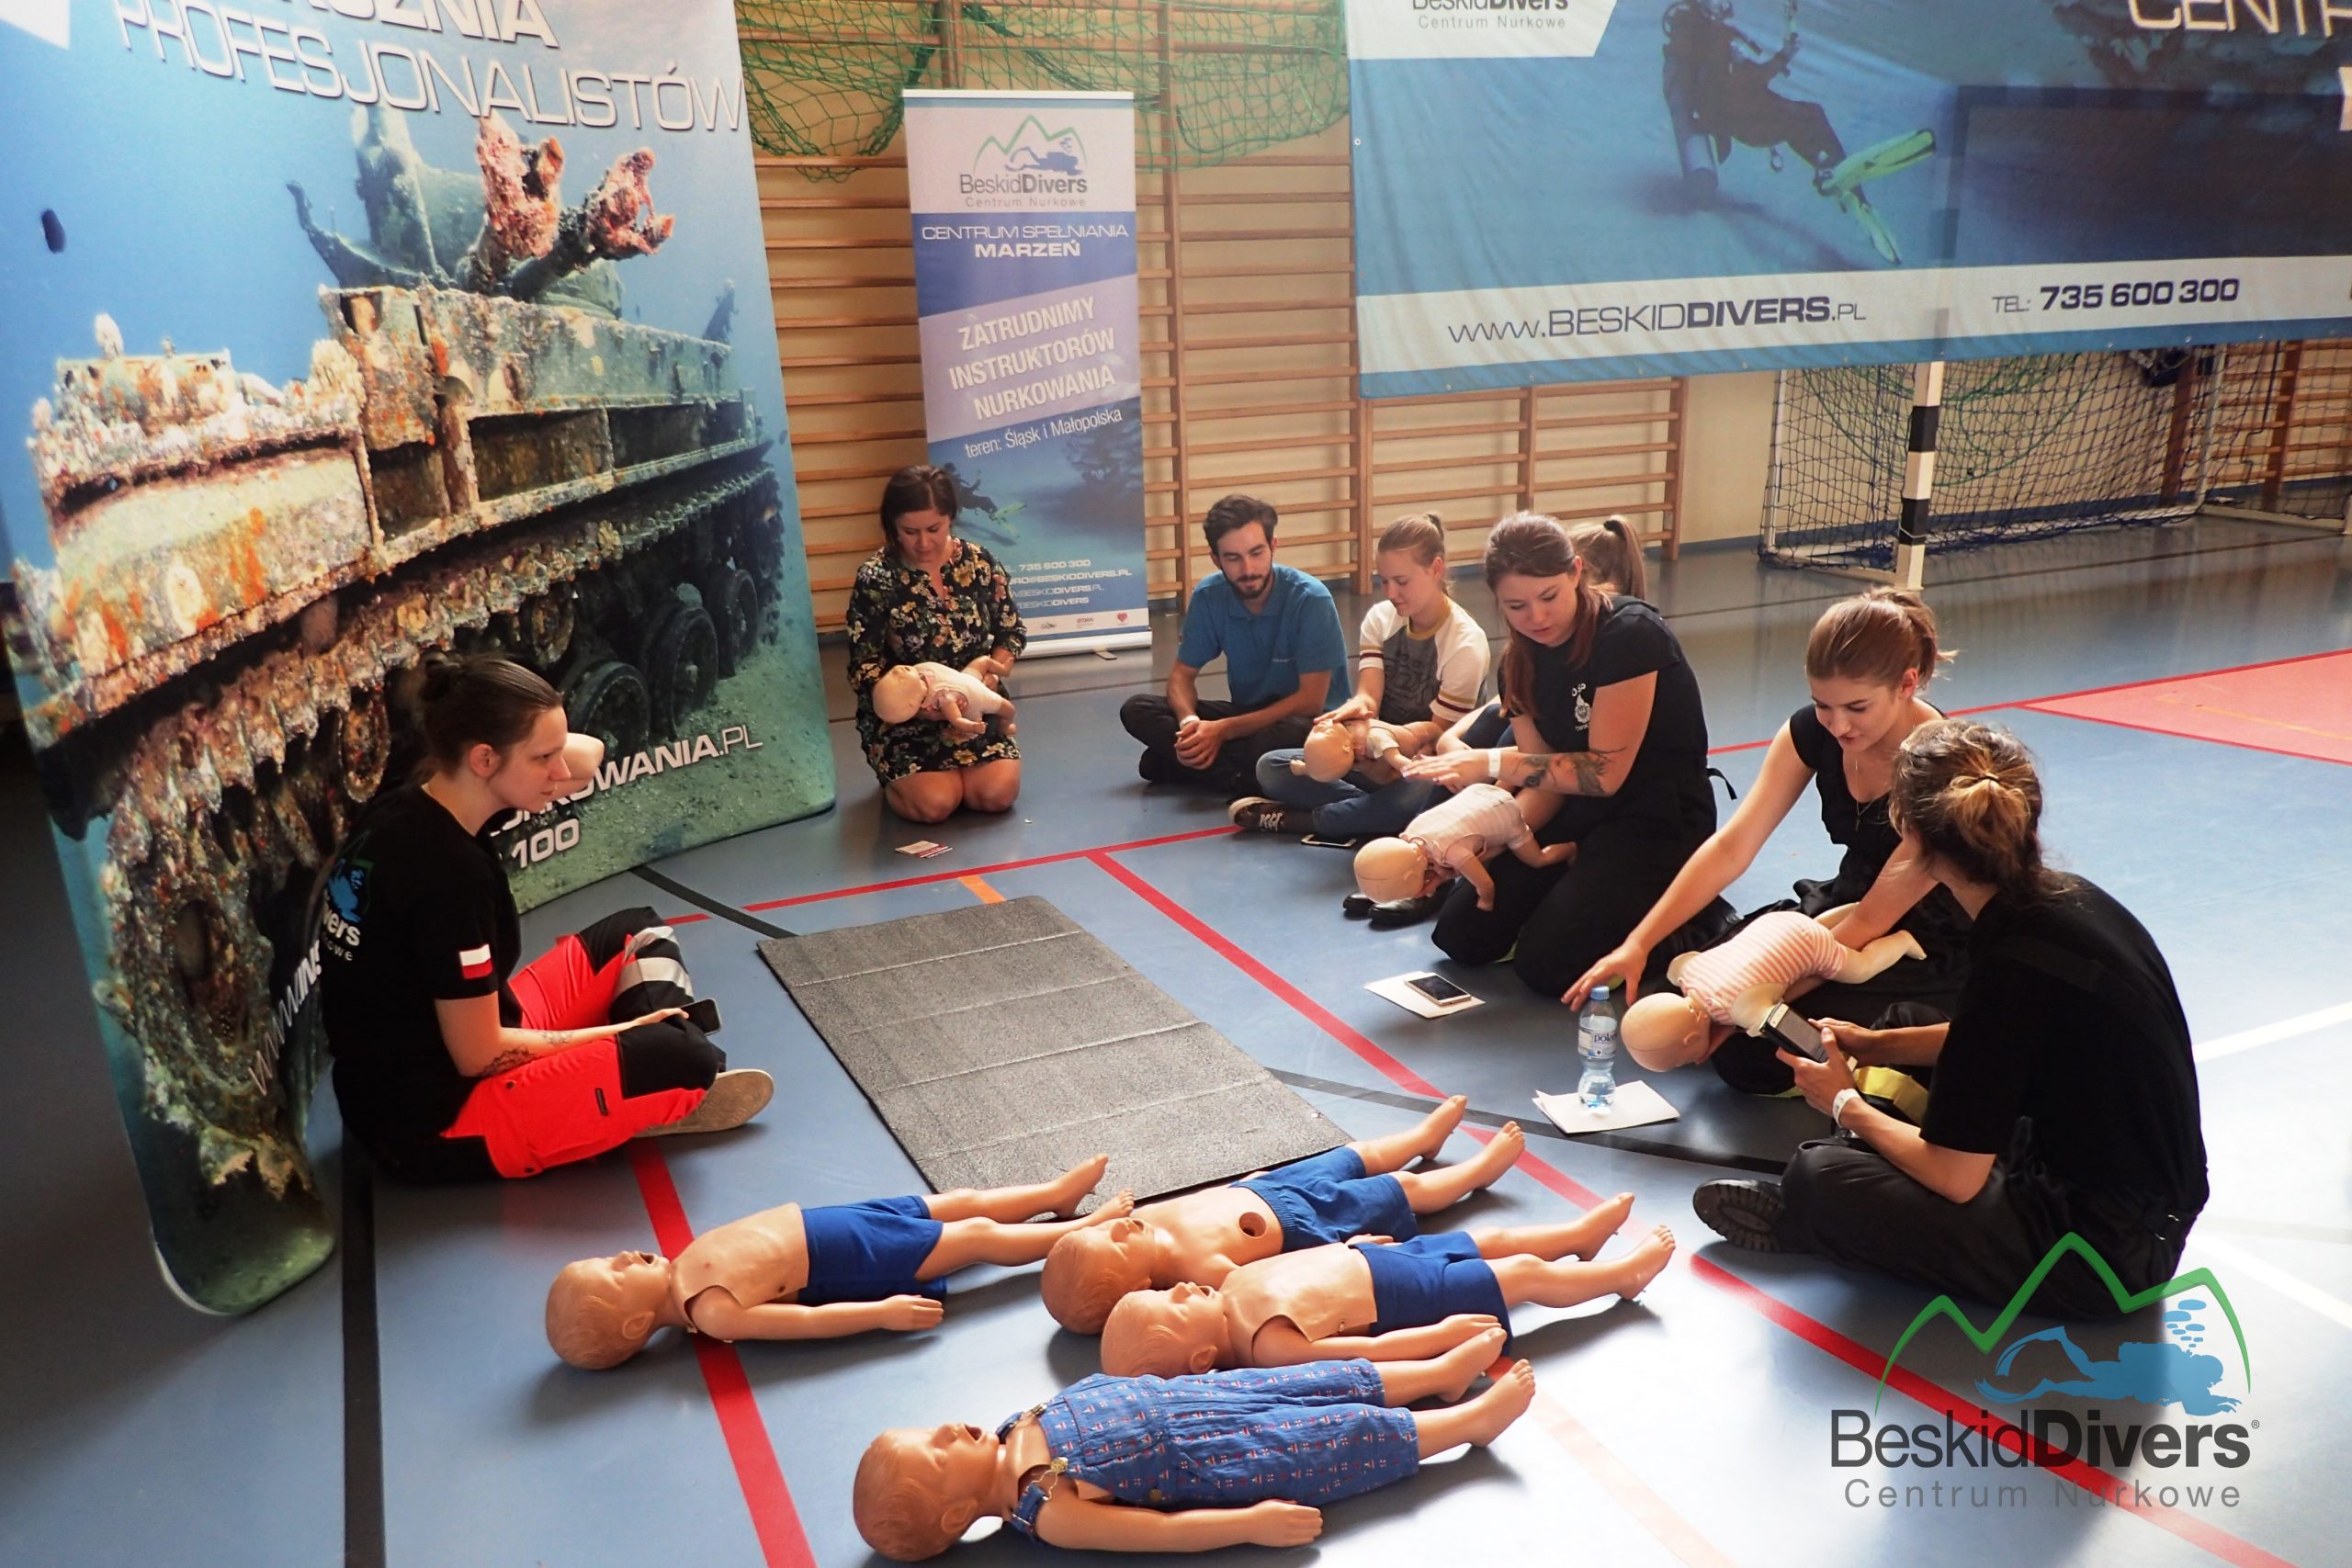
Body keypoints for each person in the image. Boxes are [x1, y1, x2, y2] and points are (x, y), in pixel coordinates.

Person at [1692, 720, 2211, 1319]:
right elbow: (2001, 1038)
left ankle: (1823, 1204)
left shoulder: (2010, 964)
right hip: (2130, 1196)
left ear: (1909, 834)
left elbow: (1957, 1177)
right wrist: (1875, 1045)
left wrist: (1843, 1103)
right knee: (1900, 1023)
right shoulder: (2066, 900)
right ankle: (1875, 1154)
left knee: (1818, 1176)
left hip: (2100, 1255)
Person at [321, 655, 768, 1184]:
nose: (561, 773)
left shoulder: (418, 793)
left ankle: (639, 1078)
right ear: (484, 759)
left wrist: (535, 733)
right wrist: (620, 1032)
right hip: (433, 1124)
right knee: (685, 1057)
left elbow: (590, 756)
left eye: (556, 752)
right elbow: (479, 1056)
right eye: (543, 759)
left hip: (439, 1052)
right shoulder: (451, 878)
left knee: (638, 932)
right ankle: (652, 1079)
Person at [1566, 587, 1969, 1099]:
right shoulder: (1811, 731)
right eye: (1823, 705)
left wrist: (1753, 1003)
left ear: (1906, 685)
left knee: (1750, 1055)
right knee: (1676, 998)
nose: (1838, 724)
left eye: (1857, 707)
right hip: (1843, 908)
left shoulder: (1940, 765)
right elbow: (1734, 846)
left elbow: (1873, 922)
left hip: (1921, 936)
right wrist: (1638, 943)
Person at [1395, 514, 1719, 992]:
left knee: (1547, 968)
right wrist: (1486, 840)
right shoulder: (1519, 662)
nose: (1537, 617)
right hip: (1579, 811)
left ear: (1576, 573)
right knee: (1462, 936)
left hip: (1655, 819)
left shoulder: (1630, 634)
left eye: (1549, 597)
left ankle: (1692, 919)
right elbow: (1544, 785)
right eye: (1517, 606)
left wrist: (1489, 762)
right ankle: (1578, 893)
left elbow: (1604, 773)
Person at [853, 1340, 1535, 1559]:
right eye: (938, 1453)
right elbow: (1160, 1534)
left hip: (1206, 1394)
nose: (948, 1429)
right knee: (1337, 1437)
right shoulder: (1052, 1510)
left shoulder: (1013, 1431)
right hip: (1223, 1456)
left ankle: (1434, 1374)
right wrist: (1249, 1523)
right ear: (956, 1515)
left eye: (931, 1427)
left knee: (1320, 1380)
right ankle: (1467, 1424)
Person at [545, 1156, 1132, 1367]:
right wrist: (880, 1312)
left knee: (959, 1203)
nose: (624, 1255)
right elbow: (804, 1321)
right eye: (616, 1273)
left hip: (838, 1222)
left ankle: (1054, 1196)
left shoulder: (683, 1270)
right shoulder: (713, 1312)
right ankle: (1080, 1230)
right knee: (975, 1236)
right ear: (634, 1324)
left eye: (609, 1257)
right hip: (853, 1258)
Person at [1042, 1101, 1527, 1334]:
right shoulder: (1199, 1272)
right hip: (1304, 1224)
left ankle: (1422, 1139)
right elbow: (1279, 1276)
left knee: (1356, 1155)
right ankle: (1475, 1173)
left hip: (1268, 1187)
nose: (1121, 1226)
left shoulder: (1147, 1219)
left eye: (1107, 1230)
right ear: (1141, 1284)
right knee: (1402, 1189)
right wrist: (1347, 1251)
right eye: (1118, 1243)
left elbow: (1204, 1198)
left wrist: (1246, 1183)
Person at [1101, 1199, 1674, 1376]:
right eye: (1176, 1305)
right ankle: (1621, 1276)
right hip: (1409, 1301)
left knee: (1493, 1239)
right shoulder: (1268, 1345)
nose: (1182, 1289)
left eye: (1167, 1290)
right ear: (1202, 1358)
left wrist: (1350, 1247)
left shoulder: (1230, 1285)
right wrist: (1439, 1338)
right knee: (1523, 1275)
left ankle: (1577, 1236)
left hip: (1381, 1261)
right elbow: (1367, 1351)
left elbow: (1297, 1269)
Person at [1228, 513, 1487, 840]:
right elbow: (1368, 698)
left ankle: (1309, 820)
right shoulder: (1380, 619)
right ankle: (1368, 814)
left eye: (1402, 581)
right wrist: (1352, 720)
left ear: (1436, 569)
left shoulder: (1465, 644)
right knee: (1272, 767)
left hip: (1429, 765)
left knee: (1413, 797)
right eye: (1384, 581)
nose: (1391, 592)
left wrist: (1389, 749)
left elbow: (1437, 737)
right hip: (1382, 754)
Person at [1119, 495, 1349, 795]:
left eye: (1257, 553)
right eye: (1233, 558)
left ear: (1273, 546)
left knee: (1285, 734)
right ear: (1216, 559)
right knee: (1138, 708)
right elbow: (1181, 677)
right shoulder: (1209, 596)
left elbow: (1310, 702)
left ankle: (1200, 767)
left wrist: (1223, 731)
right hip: (1248, 718)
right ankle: (1240, 777)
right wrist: (1190, 724)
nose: (1248, 568)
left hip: (1311, 723)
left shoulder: (1311, 600)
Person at [847, 465, 1026, 825]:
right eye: (909, 532)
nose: (923, 543)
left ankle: (953, 774)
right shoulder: (876, 577)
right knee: (935, 804)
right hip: (907, 716)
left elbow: (1011, 632)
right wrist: (918, 705)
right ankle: (896, 776)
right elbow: (864, 666)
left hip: (974, 706)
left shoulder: (980, 562)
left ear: (951, 518)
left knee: (995, 795)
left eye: (934, 529)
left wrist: (992, 676)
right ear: (892, 525)